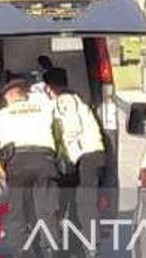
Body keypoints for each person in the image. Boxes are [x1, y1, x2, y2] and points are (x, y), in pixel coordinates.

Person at [0, 79, 60, 255]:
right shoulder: (45, 109)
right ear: (25, 94)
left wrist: (1, 176)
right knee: (47, 211)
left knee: (16, 214)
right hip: (44, 160)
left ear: (9, 96)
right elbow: (58, 135)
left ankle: (24, 253)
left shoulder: (2, 115)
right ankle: (51, 251)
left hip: (17, 163)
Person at [44, 68, 105, 253]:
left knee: (84, 201)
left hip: (85, 155)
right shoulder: (76, 98)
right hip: (93, 153)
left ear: (49, 87)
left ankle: (89, 243)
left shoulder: (65, 100)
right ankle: (86, 241)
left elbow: (71, 127)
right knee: (82, 199)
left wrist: (64, 151)